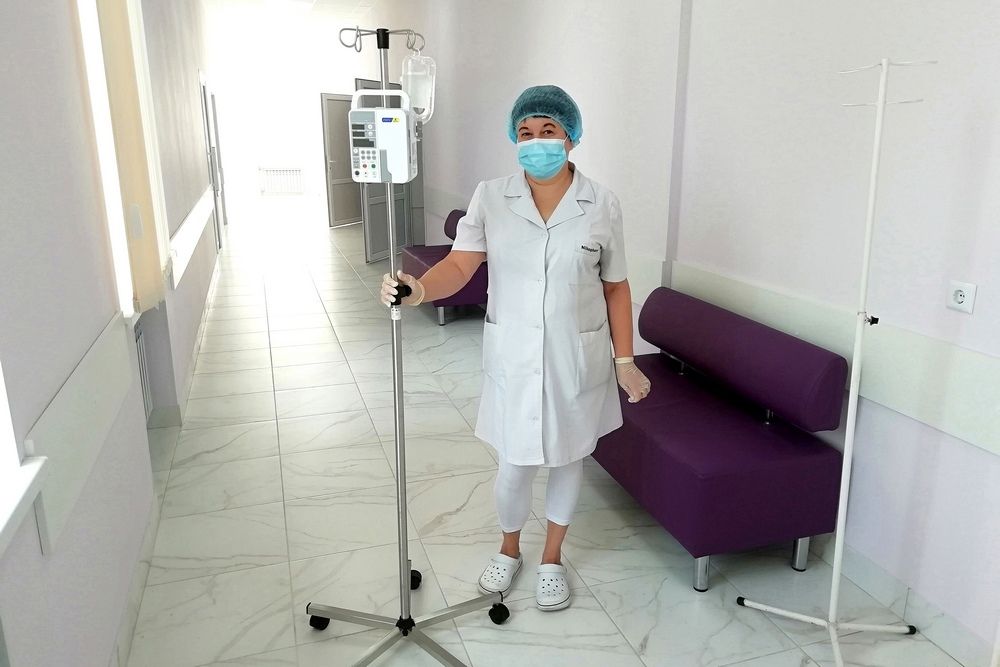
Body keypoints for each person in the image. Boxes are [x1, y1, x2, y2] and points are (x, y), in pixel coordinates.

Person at [380, 85, 651, 612]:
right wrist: (419, 289)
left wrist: (625, 361)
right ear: (514, 139)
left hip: (576, 357)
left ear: (571, 138)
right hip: (515, 357)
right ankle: (509, 549)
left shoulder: (601, 203)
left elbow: (616, 286)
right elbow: (461, 263)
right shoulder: (491, 196)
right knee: (514, 463)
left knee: (568, 459)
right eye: (525, 132)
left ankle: (552, 559)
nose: (536, 141)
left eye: (549, 130)